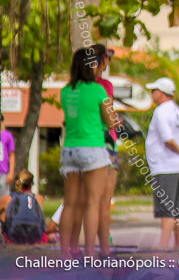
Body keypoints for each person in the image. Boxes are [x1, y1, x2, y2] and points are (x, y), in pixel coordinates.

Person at [60, 44, 119, 259]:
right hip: (93, 148)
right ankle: (91, 253)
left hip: (69, 149)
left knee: (70, 203)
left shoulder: (66, 91)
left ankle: (66, 252)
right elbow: (111, 122)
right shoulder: (98, 90)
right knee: (93, 203)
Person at [144, 77, 179, 250]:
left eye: (154, 91)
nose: (152, 94)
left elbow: (168, 141)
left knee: (167, 210)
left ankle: (163, 248)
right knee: (176, 208)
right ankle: (177, 246)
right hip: (176, 166)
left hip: (164, 167)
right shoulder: (176, 111)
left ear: (161, 93)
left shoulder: (161, 112)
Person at [94, 47, 118, 253]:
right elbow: (109, 118)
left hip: (81, 143)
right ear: (101, 62)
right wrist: (117, 121)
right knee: (104, 199)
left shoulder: (75, 87)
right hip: (105, 142)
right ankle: (105, 245)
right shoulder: (105, 86)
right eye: (107, 60)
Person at [0, 170, 46, 244]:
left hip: (14, 236)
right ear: (31, 184)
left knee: (4, 213)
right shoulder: (39, 198)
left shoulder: (7, 199)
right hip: (35, 236)